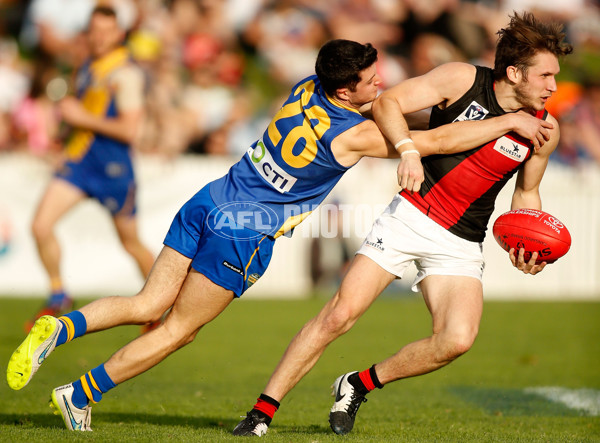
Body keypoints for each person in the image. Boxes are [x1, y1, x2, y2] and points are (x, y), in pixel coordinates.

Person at [7, 38, 549, 432]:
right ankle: (81, 393)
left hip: (211, 197)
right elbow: (433, 143)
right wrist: (505, 123)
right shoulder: (355, 136)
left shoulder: (301, 89)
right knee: (176, 330)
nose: (380, 86)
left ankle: (62, 326)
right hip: (244, 229)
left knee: (147, 300)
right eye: (370, 81)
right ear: (345, 88)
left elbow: (388, 113)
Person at [232, 11, 572, 437]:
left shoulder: (545, 129)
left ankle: (357, 384)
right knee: (339, 315)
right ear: (514, 72)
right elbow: (387, 102)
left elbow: (525, 195)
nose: (553, 87)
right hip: (410, 215)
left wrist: (525, 243)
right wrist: (408, 149)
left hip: (462, 240)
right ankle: (262, 411)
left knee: (456, 340)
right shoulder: (461, 79)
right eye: (545, 76)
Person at [26, 6, 155, 330]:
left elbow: (129, 130)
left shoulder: (125, 74)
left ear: (119, 35)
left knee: (131, 242)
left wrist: (80, 118)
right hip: (81, 163)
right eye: (94, 31)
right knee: (41, 225)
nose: (98, 38)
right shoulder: (87, 67)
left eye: (105, 31)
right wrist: (66, 136)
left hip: (113, 170)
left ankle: (159, 305)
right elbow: (84, 115)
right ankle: (58, 295)